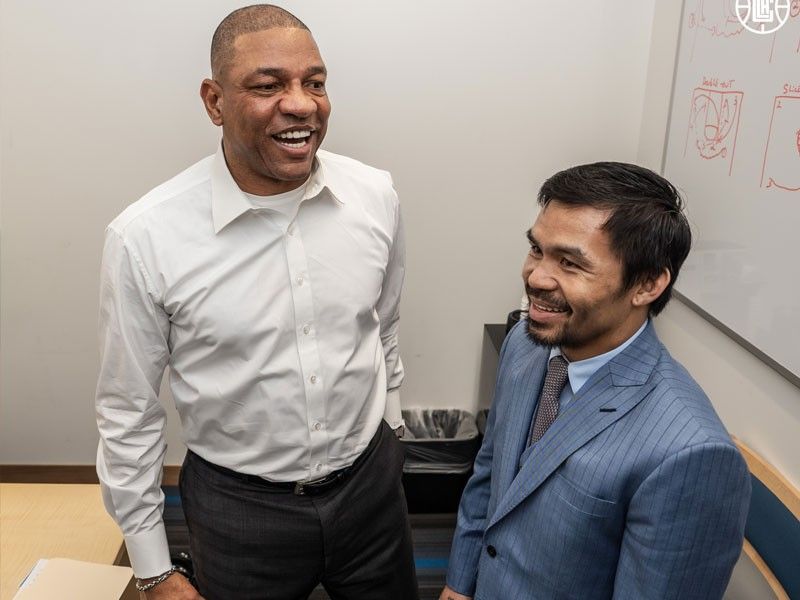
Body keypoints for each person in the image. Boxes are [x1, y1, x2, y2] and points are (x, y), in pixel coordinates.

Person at [95, 5, 418, 599]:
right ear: (214, 102)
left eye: (314, 83)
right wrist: (153, 568)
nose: (301, 104)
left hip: (371, 487)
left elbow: (384, 324)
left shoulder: (376, 195)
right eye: (268, 86)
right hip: (239, 508)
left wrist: (392, 432)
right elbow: (128, 412)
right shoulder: (145, 237)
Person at [441, 162, 751, 600]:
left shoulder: (692, 454)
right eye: (536, 250)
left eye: (569, 263)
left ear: (646, 284)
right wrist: (460, 582)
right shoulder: (526, 345)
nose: (535, 277)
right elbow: (491, 474)